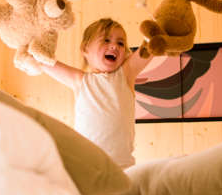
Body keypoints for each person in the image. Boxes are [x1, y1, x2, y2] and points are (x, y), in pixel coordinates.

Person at [38, 17, 152, 168]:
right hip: (86, 163)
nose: (114, 46)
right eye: (106, 40)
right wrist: (30, 49)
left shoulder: (125, 75)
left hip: (122, 165)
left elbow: (151, 47)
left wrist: (158, 30)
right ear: (85, 49)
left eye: (121, 43)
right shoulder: (80, 80)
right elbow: (43, 62)